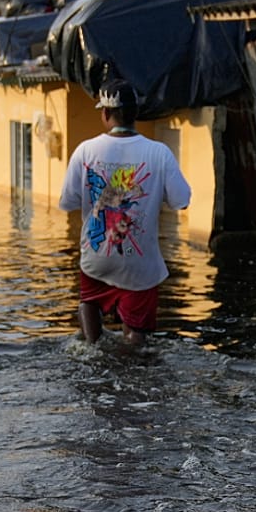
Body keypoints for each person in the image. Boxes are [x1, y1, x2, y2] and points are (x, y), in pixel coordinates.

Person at [58, 80, 193, 346]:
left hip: (96, 258)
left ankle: (92, 350)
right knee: (136, 335)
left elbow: (68, 201)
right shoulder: (159, 153)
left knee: (88, 302)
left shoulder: (86, 150)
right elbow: (182, 201)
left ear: (106, 113)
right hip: (140, 265)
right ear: (136, 113)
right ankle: (130, 361)